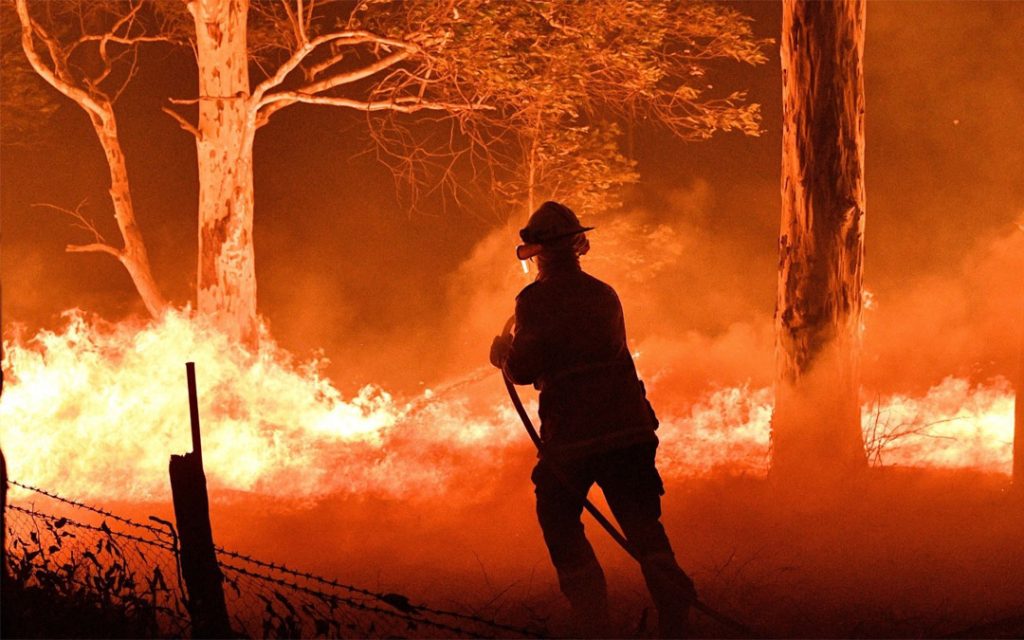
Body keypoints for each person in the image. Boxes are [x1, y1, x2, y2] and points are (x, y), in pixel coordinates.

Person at [489, 201, 695, 638]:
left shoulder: (535, 302)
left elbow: (523, 369)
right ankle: (674, 608)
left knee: (557, 516)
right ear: (577, 247)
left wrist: (501, 356)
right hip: (628, 430)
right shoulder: (604, 294)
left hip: (573, 438)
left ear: (538, 252)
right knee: (641, 522)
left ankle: (591, 616)